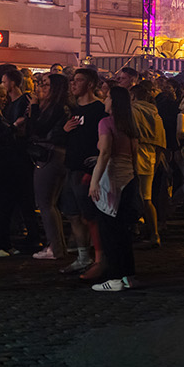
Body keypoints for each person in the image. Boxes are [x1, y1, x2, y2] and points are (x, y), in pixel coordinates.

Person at [0, 65, 41, 257]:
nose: (4, 98)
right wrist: (14, 127)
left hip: (7, 165)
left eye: (4, 95)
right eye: (0, 95)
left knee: (6, 206)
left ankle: (4, 243)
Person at [87, 85, 141, 292]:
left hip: (112, 182)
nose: (105, 100)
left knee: (109, 232)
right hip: (129, 179)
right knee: (124, 232)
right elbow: (132, 155)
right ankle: (128, 275)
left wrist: (94, 181)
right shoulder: (129, 126)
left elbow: (106, 152)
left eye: (108, 97)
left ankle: (115, 277)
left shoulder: (105, 123)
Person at [55, 68, 107, 274]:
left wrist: (97, 164)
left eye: (78, 80)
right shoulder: (73, 110)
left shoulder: (98, 110)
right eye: (72, 80)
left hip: (87, 172)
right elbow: (63, 138)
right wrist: (64, 131)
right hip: (71, 167)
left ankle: (99, 258)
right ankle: (83, 257)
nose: (73, 84)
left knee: (90, 217)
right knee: (73, 215)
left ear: (91, 84)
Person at [27, 73, 70, 260]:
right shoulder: (61, 107)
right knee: (50, 204)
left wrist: (34, 107)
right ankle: (57, 245)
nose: (41, 88)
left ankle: (55, 248)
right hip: (56, 154)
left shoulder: (56, 107)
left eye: (45, 85)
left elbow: (38, 129)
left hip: (49, 154)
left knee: (45, 204)